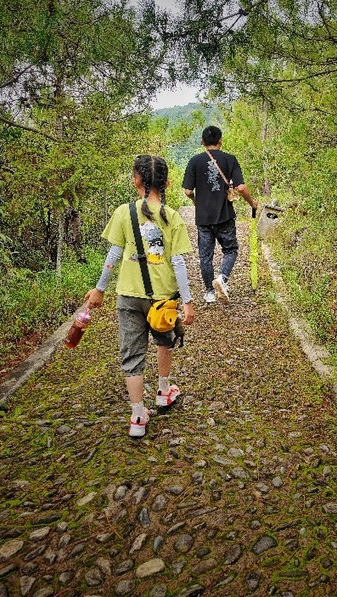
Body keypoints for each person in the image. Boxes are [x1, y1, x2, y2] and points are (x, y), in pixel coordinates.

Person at [85, 155, 195, 438]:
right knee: (164, 340)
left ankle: (137, 416)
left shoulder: (123, 212)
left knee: (131, 355)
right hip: (163, 298)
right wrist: (187, 301)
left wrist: (99, 288)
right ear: (168, 182)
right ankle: (162, 391)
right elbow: (179, 263)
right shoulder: (173, 217)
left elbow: (114, 255)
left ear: (136, 180)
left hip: (129, 295)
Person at [182, 125, 258, 304]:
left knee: (205, 256)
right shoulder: (230, 159)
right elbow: (241, 187)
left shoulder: (194, 161)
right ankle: (222, 278)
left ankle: (209, 291)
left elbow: (187, 191)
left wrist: (196, 201)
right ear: (220, 140)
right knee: (230, 250)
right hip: (224, 215)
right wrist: (252, 203)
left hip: (203, 217)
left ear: (202, 142)